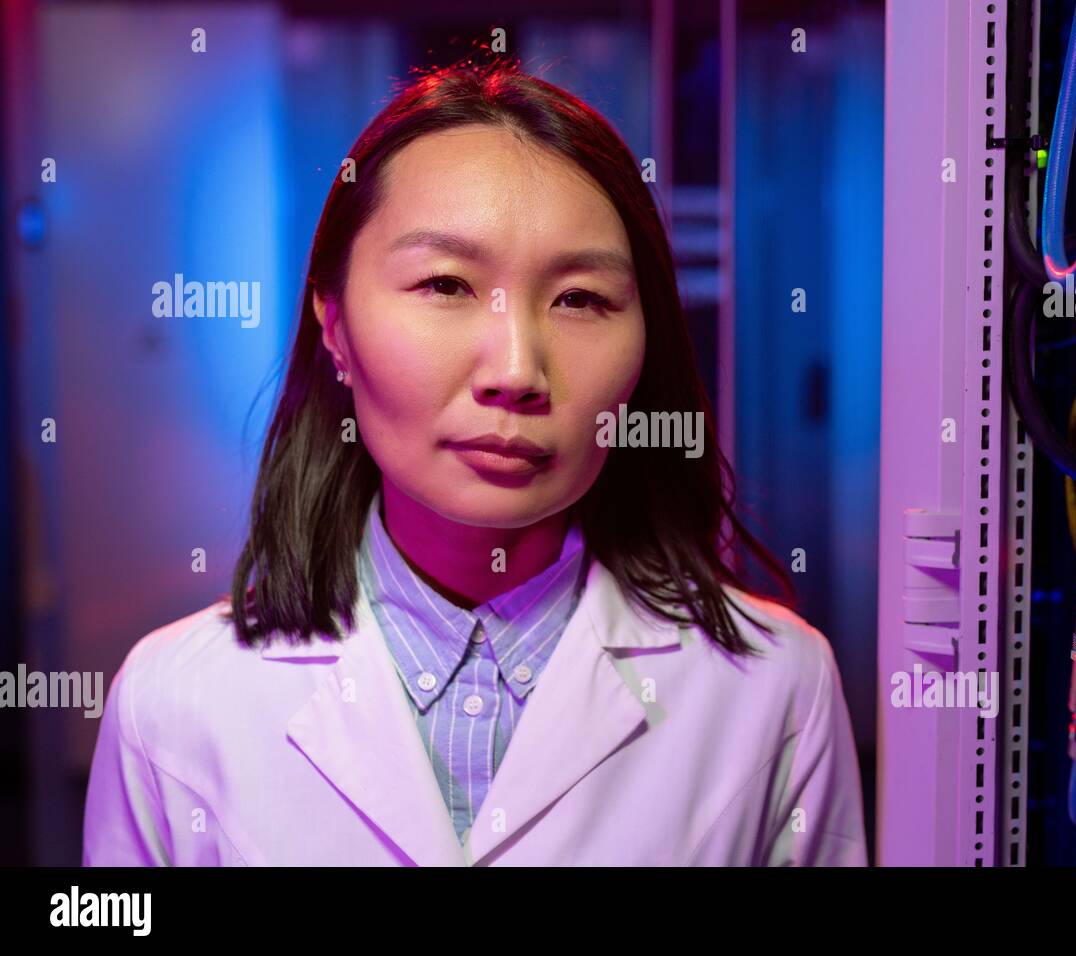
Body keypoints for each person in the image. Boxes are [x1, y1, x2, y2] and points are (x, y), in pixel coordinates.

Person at [83, 59, 867, 867]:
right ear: (335, 324)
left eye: (580, 300)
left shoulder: (775, 688)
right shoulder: (175, 701)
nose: (518, 372)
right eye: (447, 284)